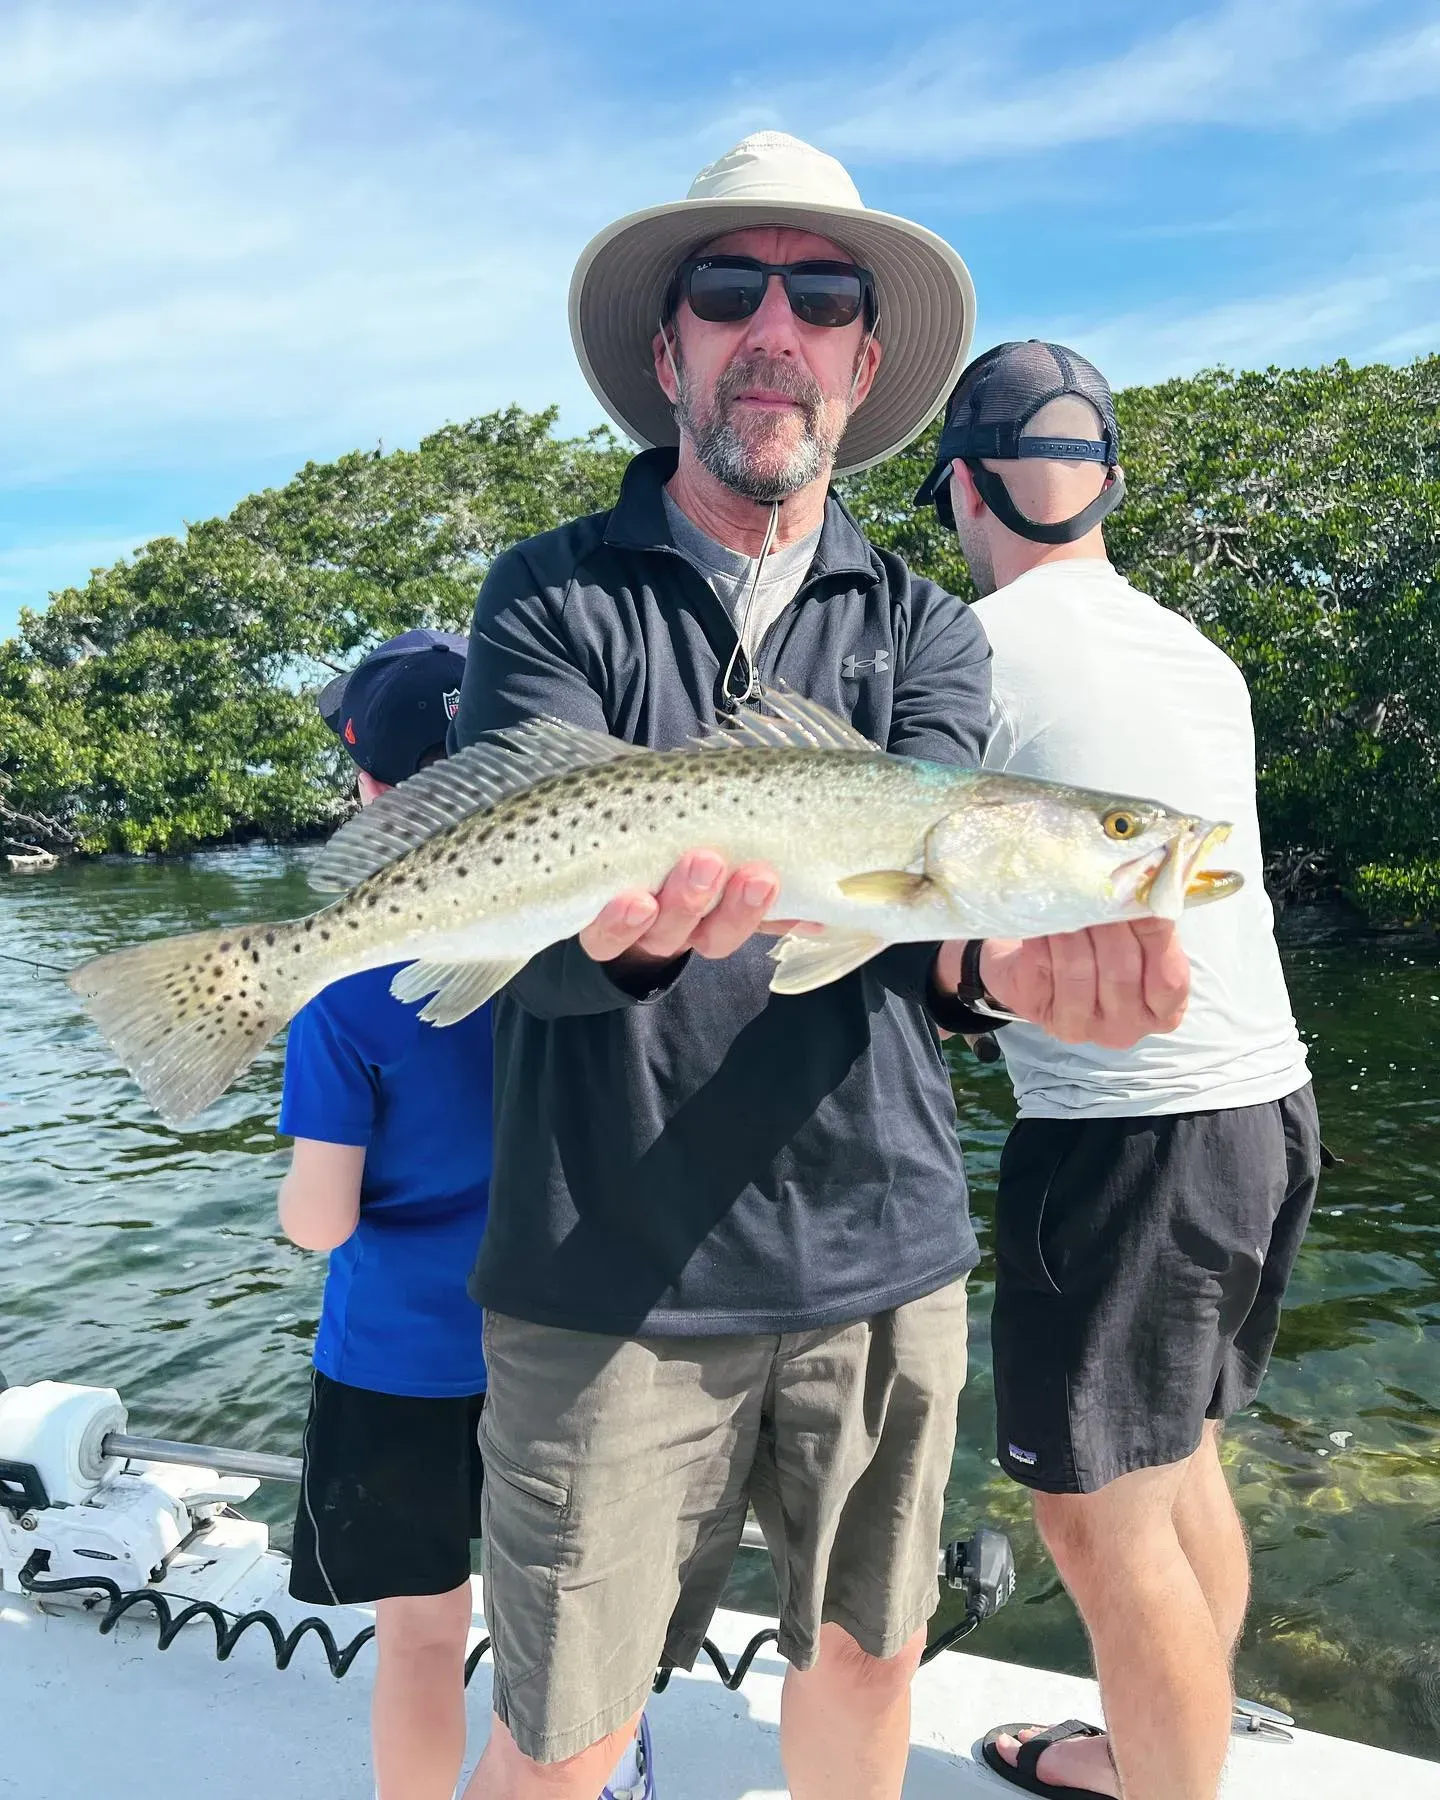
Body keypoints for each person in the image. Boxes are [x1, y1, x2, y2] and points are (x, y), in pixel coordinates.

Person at [452, 134, 1191, 1800]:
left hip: (882, 1255)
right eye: (730, 289)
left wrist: (1008, 974)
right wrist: (628, 943)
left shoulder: (925, 627)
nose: (772, 326)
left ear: (865, 363)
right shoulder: (550, 595)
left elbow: (927, 942)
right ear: (673, 354)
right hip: (602, 1274)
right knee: (563, 1729)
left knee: (864, 1665)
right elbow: (536, 932)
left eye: (821, 295)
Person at [911, 341, 1319, 1800]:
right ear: (1106, 492)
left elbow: (922, 901)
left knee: (1098, 1519)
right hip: (1269, 1106)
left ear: (965, 490)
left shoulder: (971, 651)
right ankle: (1141, 1749)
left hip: (1126, 1131)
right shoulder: (1195, 652)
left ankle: (1164, 1781)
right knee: (1181, 1458)